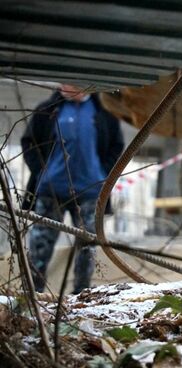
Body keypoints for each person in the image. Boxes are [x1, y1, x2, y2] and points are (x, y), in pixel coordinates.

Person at [21, 84, 124, 293]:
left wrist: (102, 174)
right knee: (40, 246)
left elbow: (117, 146)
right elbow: (28, 142)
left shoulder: (104, 113)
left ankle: (81, 294)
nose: (71, 85)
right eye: (67, 81)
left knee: (88, 248)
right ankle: (33, 294)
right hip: (51, 190)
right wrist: (42, 171)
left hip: (90, 192)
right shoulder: (47, 110)